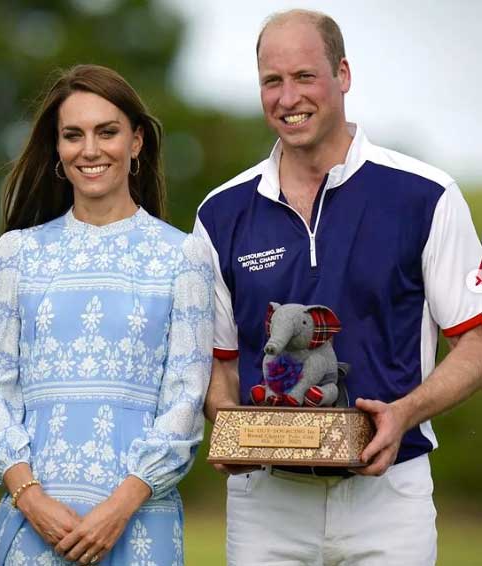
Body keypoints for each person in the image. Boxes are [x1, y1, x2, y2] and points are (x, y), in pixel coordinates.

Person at [194, 9, 482, 566]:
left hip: (390, 496)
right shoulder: (219, 213)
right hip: (266, 505)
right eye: (271, 81)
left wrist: (406, 412)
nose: (287, 97)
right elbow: (219, 361)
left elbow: (474, 341)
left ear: (342, 74)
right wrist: (229, 423)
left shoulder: (426, 195)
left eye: (304, 76)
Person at [0, 64, 214, 565]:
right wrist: (32, 499)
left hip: (138, 527)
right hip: (31, 526)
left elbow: (185, 399)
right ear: (57, 151)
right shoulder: (16, 254)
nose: (90, 149)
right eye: (73, 135)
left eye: (107, 132)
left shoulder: (184, 256)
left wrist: (118, 508)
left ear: (136, 143)